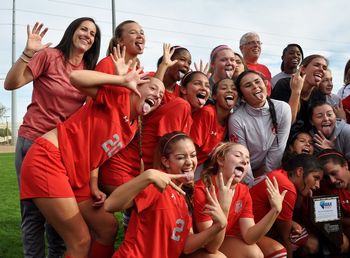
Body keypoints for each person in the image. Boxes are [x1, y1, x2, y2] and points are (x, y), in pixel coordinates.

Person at [20, 48, 164, 258]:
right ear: (137, 87)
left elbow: (96, 152)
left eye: (160, 96)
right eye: (152, 88)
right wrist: (121, 79)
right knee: (80, 241)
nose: (157, 96)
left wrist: (93, 184)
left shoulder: (133, 127)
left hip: (75, 174)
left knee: (108, 228)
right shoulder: (117, 96)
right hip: (49, 159)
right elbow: (76, 77)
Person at [4, 18, 101, 258]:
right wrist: (27, 53)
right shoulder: (49, 56)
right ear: (72, 31)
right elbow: (11, 83)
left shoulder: (89, 71)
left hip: (61, 149)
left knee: (58, 217)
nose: (87, 35)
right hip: (33, 140)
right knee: (33, 214)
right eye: (83, 29)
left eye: (92, 33)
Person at [104, 132, 228, 258]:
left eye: (193, 155)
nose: (189, 162)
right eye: (180, 157)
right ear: (166, 161)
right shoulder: (156, 186)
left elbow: (186, 246)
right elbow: (110, 205)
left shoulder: (184, 198)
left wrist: (218, 226)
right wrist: (148, 176)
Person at [99, 69, 210, 194]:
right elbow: (164, 148)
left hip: (135, 173)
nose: (204, 88)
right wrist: (160, 190)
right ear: (183, 89)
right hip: (122, 170)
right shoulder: (181, 105)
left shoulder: (187, 113)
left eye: (207, 85)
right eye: (197, 83)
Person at [191, 142, 287, 258]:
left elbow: (249, 236)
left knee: (255, 254)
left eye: (247, 159)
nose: (245, 161)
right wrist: (224, 208)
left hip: (221, 238)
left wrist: (275, 211)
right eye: (238, 155)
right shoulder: (202, 190)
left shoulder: (243, 191)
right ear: (220, 160)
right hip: (199, 244)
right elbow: (210, 247)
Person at [250, 154, 324, 258]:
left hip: (249, 225)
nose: (317, 185)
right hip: (243, 231)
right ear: (299, 172)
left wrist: (291, 222)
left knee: (299, 234)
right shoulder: (287, 187)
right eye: (315, 178)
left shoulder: (281, 174)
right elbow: (285, 237)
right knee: (285, 248)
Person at [228, 70, 291, 178]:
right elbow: (241, 157)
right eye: (248, 85)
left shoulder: (282, 108)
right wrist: (251, 184)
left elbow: (278, 149)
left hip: (270, 171)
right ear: (242, 96)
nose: (255, 86)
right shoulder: (236, 119)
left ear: (265, 85)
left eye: (258, 82)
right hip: (244, 173)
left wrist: (265, 176)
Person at [190, 78, 238, 180]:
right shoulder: (207, 112)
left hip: (205, 167)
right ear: (214, 96)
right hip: (191, 165)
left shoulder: (231, 119)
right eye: (224, 88)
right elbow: (191, 148)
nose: (229, 90)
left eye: (234, 88)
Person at [271, 54, 328, 126]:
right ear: (303, 69)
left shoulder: (319, 94)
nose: (321, 69)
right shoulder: (284, 84)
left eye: (324, 68)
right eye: (317, 65)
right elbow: (285, 123)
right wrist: (296, 92)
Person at [317, 149, 350, 254]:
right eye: (326, 177)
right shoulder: (324, 186)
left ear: (345, 165)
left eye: (334, 173)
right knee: (339, 242)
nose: (332, 180)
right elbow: (328, 220)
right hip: (342, 230)